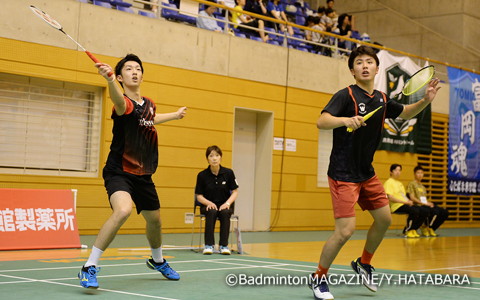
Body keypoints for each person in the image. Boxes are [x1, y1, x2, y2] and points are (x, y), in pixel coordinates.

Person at [309, 45, 440, 300]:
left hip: (366, 173)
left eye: (369, 62)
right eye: (359, 62)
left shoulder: (381, 98)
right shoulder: (345, 95)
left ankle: (364, 263)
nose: (365, 65)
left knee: (384, 219)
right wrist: (344, 120)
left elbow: (404, 113)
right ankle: (319, 277)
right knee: (345, 230)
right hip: (342, 173)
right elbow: (321, 121)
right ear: (352, 70)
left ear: (377, 68)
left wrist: (426, 100)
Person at [77, 54, 187, 289]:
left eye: (138, 68)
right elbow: (119, 102)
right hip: (119, 171)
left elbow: (151, 119)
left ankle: (157, 261)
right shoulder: (123, 102)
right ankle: (89, 267)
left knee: (155, 220)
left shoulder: (148, 103)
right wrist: (109, 82)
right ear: (120, 76)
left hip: (144, 174)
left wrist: (175, 115)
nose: (135, 72)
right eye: (128, 69)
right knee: (123, 210)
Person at [195, 145, 239, 255]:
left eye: (217, 155)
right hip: (208, 205)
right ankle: (209, 245)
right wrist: (209, 203)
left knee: (224, 213)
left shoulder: (228, 173)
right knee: (212, 211)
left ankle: (224, 246)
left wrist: (227, 203)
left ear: (220, 157)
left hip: (225, 205)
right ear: (207, 159)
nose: (214, 158)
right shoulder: (202, 175)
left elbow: (235, 192)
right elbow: (199, 196)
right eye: (211, 156)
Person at [384, 164, 428, 238]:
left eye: (399, 170)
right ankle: (408, 230)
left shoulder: (400, 183)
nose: (398, 172)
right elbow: (390, 197)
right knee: (414, 211)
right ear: (391, 172)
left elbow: (403, 196)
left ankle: (413, 229)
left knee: (424, 211)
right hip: (396, 206)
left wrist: (409, 201)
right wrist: (406, 202)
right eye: (395, 170)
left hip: (404, 204)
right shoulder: (388, 182)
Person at [406, 165, 449, 237]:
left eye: (421, 173)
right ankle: (424, 227)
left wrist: (429, 203)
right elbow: (412, 198)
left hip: (424, 204)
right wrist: (424, 203)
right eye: (418, 173)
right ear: (414, 174)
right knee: (433, 211)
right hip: (418, 205)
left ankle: (431, 228)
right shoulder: (412, 184)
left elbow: (424, 199)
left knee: (444, 212)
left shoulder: (423, 187)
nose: (420, 175)